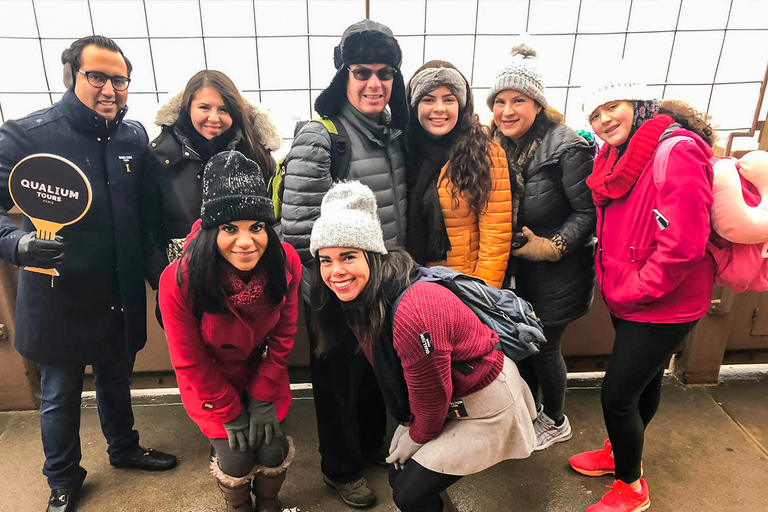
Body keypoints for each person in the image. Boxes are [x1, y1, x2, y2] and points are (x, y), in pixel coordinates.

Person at [0, 35, 176, 512]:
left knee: (117, 375)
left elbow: (144, 217)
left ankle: (124, 448)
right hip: (59, 291)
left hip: (118, 286)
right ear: (71, 75)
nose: (109, 89)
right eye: (96, 76)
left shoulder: (133, 136)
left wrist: (163, 278)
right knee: (59, 391)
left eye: (119, 80)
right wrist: (16, 244)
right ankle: (61, 477)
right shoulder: (26, 135)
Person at [309, 181, 537, 512]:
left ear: (373, 254)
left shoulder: (414, 310)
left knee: (408, 493)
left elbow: (432, 397)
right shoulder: (365, 298)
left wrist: (415, 433)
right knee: (401, 478)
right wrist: (409, 425)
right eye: (325, 260)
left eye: (348, 256)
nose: (335, 271)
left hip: (485, 400)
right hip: (452, 395)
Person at [570, 77, 715, 512]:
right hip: (630, 294)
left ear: (639, 103)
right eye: (594, 114)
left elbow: (685, 244)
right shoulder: (618, 154)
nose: (603, 120)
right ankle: (619, 452)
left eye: (612, 106)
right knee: (643, 382)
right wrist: (625, 290)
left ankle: (631, 487)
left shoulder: (677, 151)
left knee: (616, 396)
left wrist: (635, 289)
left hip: (663, 301)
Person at [280, 19, 409, 508]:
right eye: (362, 73)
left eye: (385, 73)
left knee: (379, 372)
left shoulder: (393, 133)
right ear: (343, 77)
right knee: (337, 382)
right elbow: (296, 226)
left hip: (382, 284)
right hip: (333, 287)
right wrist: (336, 276)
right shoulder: (322, 136)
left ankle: (372, 444)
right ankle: (341, 468)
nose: (374, 84)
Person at [159, 150, 299, 512]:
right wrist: (228, 409)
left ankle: (269, 503)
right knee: (236, 459)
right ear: (211, 230)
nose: (246, 241)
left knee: (273, 449)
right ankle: (238, 508)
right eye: (229, 228)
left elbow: (285, 334)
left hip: (262, 371)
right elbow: (188, 360)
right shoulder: (179, 280)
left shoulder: (286, 260)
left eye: (257, 227)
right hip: (210, 379)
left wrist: (264, 394)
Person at [487, 44, 596, 450]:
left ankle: (556, 418)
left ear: (538, 104)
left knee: (546, 348)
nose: (507, 110)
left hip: (557, 272)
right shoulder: (493, 143)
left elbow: (588, 213)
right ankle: (529, 408)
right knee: (519, 345)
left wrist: (554, 246)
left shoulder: (566, 147)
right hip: (513, 269)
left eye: (519, 100)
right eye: (499, 101)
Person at [142, 69, 281, 295]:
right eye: (204, 107)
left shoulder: (257, 155)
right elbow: (147, 228)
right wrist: (164, 283)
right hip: (184, 283)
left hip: (247, 283)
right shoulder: (158, 157)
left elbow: (273, 221)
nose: (214, 118)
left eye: (224, 110)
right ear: (188, 108)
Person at [405, 60, 512, 288]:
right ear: (414, 105)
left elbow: (496, 239)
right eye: (428, 99)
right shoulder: (401, 151)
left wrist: (480, 295)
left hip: (462, 285)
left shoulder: (486, 153)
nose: (439, 108)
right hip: (408, 285)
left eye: (449, 99)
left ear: (461, 105)